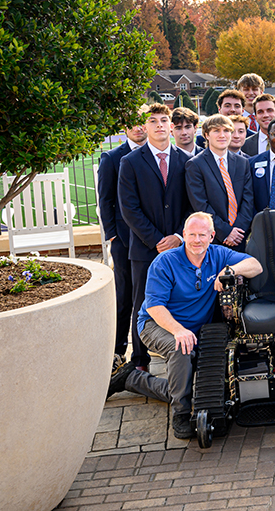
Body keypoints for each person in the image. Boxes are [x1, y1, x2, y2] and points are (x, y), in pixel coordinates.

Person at [108, 213, 262, 439]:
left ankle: (131, 379)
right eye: (191, 235)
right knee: (182, 348)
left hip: (196, 329)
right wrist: (178, 330)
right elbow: (155, 307)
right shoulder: (165, 262)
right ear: (184, 234)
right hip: (156, 325)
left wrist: (230, 271)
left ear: (212, 236)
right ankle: (180, 414)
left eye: (202, 235)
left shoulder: (219, 255)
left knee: (192, 385)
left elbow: (255, 265)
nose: (196, 240)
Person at [118, 103, 192, 372]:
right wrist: (156, 240)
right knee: (143, 302)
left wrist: (176, 236)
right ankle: (139, 360)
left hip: (180, 245)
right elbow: (129, 208)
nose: (159, 125)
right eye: (153, 121)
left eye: (164, 120)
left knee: (182, 296)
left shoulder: (186, 161)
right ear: (145, 127)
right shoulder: (131, 162)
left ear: (171, 126)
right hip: (145, 248)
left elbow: (192, 204)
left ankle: (183, 350)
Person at [98, 113, 147, 371]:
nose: (138, 128)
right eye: (133, 123)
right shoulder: (112, 158)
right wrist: (113, 235)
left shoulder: (156, 155)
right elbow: (105, 199)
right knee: (125, 297)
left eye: (143, 122)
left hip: (152, 239)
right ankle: (117, 351)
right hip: (124, 240)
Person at [185, 115, 254, 251]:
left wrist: (238, 231)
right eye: (216, 131)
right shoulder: (195, 165)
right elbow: (200, 204)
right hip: (214, 238)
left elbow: (248, 199)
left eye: (227, 130)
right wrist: (226, 232)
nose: (222, 135)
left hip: (239, 237)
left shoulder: (242, 162)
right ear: (206, 135)